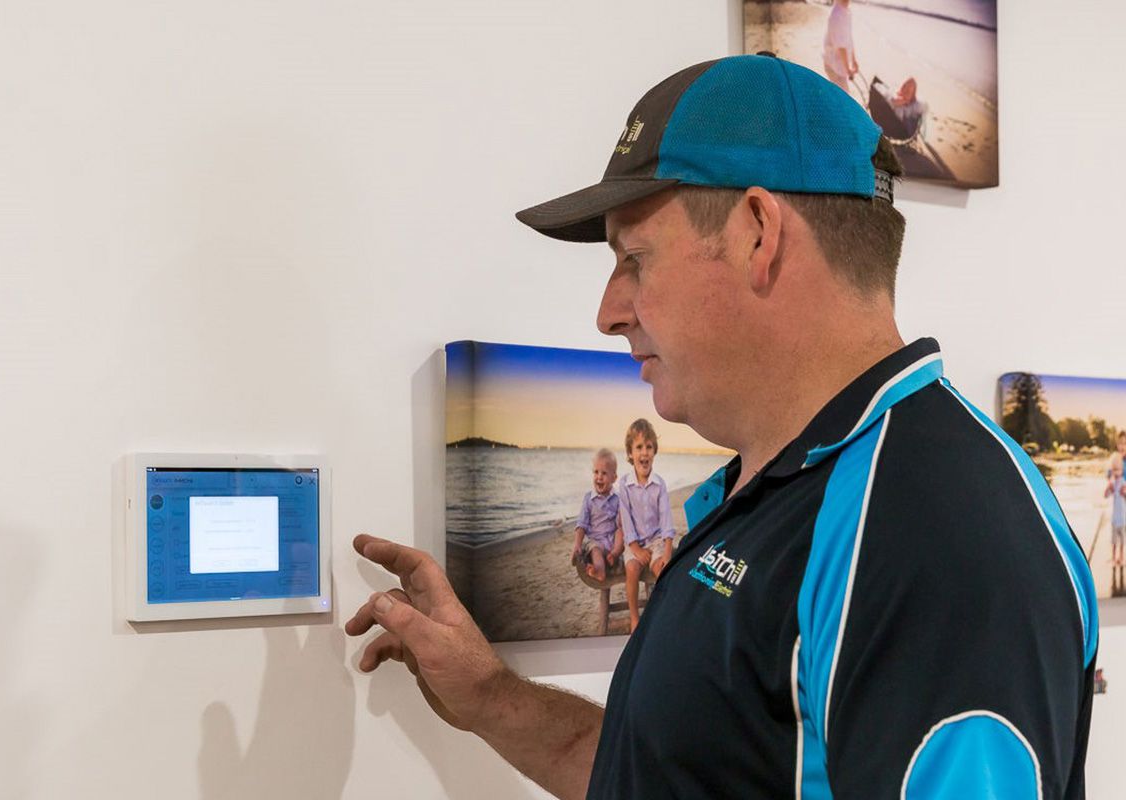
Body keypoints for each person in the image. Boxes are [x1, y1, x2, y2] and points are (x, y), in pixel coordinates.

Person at [347, 55, 1097, 799]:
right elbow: (673, 772)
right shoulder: (766, 490)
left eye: (634, 259)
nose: (607, 312)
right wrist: (489, 696)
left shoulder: (937, 537)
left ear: (758, 233)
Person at [616, 418, 675, 631]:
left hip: (657, 540)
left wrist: (667, 551)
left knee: (662, 570)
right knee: (632, 569)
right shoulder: (624, 484)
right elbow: (626, 520)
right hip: (635, 542)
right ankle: (634, 618)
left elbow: (666, 519)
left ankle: (662, 614)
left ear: (654, 452)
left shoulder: (659, 484)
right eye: (639, 447)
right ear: (630, 453)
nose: (644, 452)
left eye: (649, 447)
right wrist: (635, 549)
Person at [571, 447, 623, 582]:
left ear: (614, 477)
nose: (599, 476)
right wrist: (577, 544)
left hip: (613, 542)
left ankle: (615, 555)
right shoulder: (589, 499)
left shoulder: (618, 498)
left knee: (621, 531)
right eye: (596, 472)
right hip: (597, 541)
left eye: (604, 473)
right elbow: (581, 524)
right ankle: (599, 571)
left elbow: (621, 523)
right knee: (595, 550)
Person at [870, 75, 924, 141]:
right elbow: (893, 101)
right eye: (905, 86)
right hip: (894, 123)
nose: (905, 90)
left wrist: (905, 100)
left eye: (908, 91)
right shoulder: (898, 99)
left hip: (901, 128)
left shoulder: (907, 103)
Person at [823, 0, 858, 92]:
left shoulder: (846, 11)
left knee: (841, 96)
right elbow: (841, 46)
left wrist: (854, 60)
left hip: (840, 64)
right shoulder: (836, 15)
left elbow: (849, 39)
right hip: (834, 65)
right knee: (844, 98)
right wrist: (848, 69)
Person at [1108, 434, 1126, 566]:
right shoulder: (1114, 460)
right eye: (1121, 443)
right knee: (1116, 533)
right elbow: (1109, 475)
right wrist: (1110, 482)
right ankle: (1115, 557)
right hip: (1117, 500)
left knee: (1123, 533)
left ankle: (1121, 556)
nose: (1123, 446)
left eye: (1125, 444)